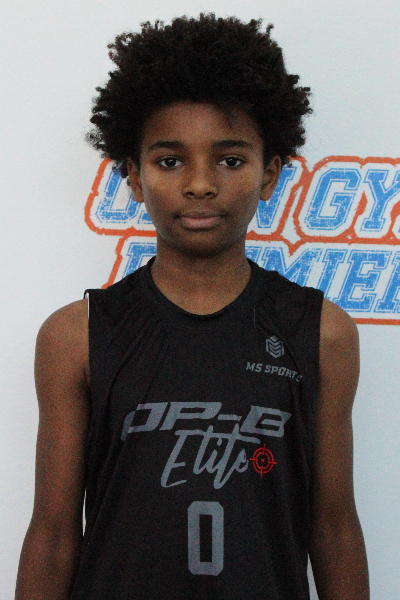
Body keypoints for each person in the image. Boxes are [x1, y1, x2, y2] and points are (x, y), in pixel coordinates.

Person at [15, 14, 370, 600]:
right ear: (133, 176)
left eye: (230, 160)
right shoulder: (76, 335)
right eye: (170, 161)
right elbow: (53, 536)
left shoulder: (321, 331)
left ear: (269, 175)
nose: (200, 184)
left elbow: (333, 525)